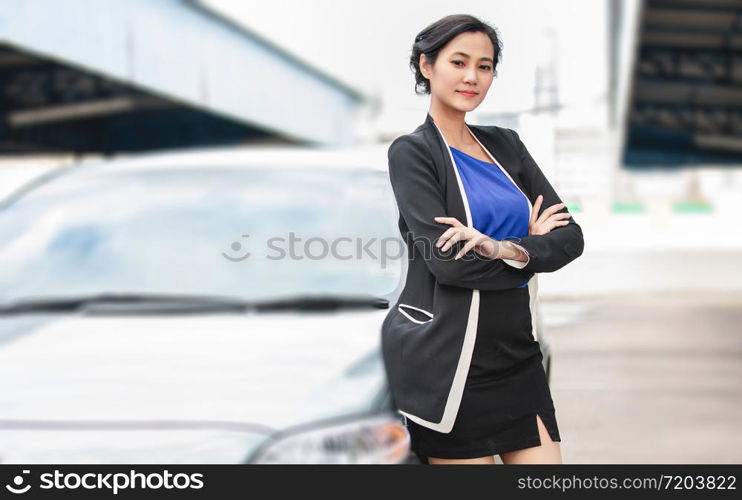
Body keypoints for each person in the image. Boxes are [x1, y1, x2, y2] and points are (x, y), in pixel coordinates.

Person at [380, 14, 585, 465]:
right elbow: (450, 264)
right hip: (450, 364)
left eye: (485, 66)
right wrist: (531, 247)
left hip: (516, 355)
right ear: (426, 66)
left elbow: (571, 238)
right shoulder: (413, 153)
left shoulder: (507, 145)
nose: (472, 76)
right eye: (458, 62)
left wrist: (501, 248)